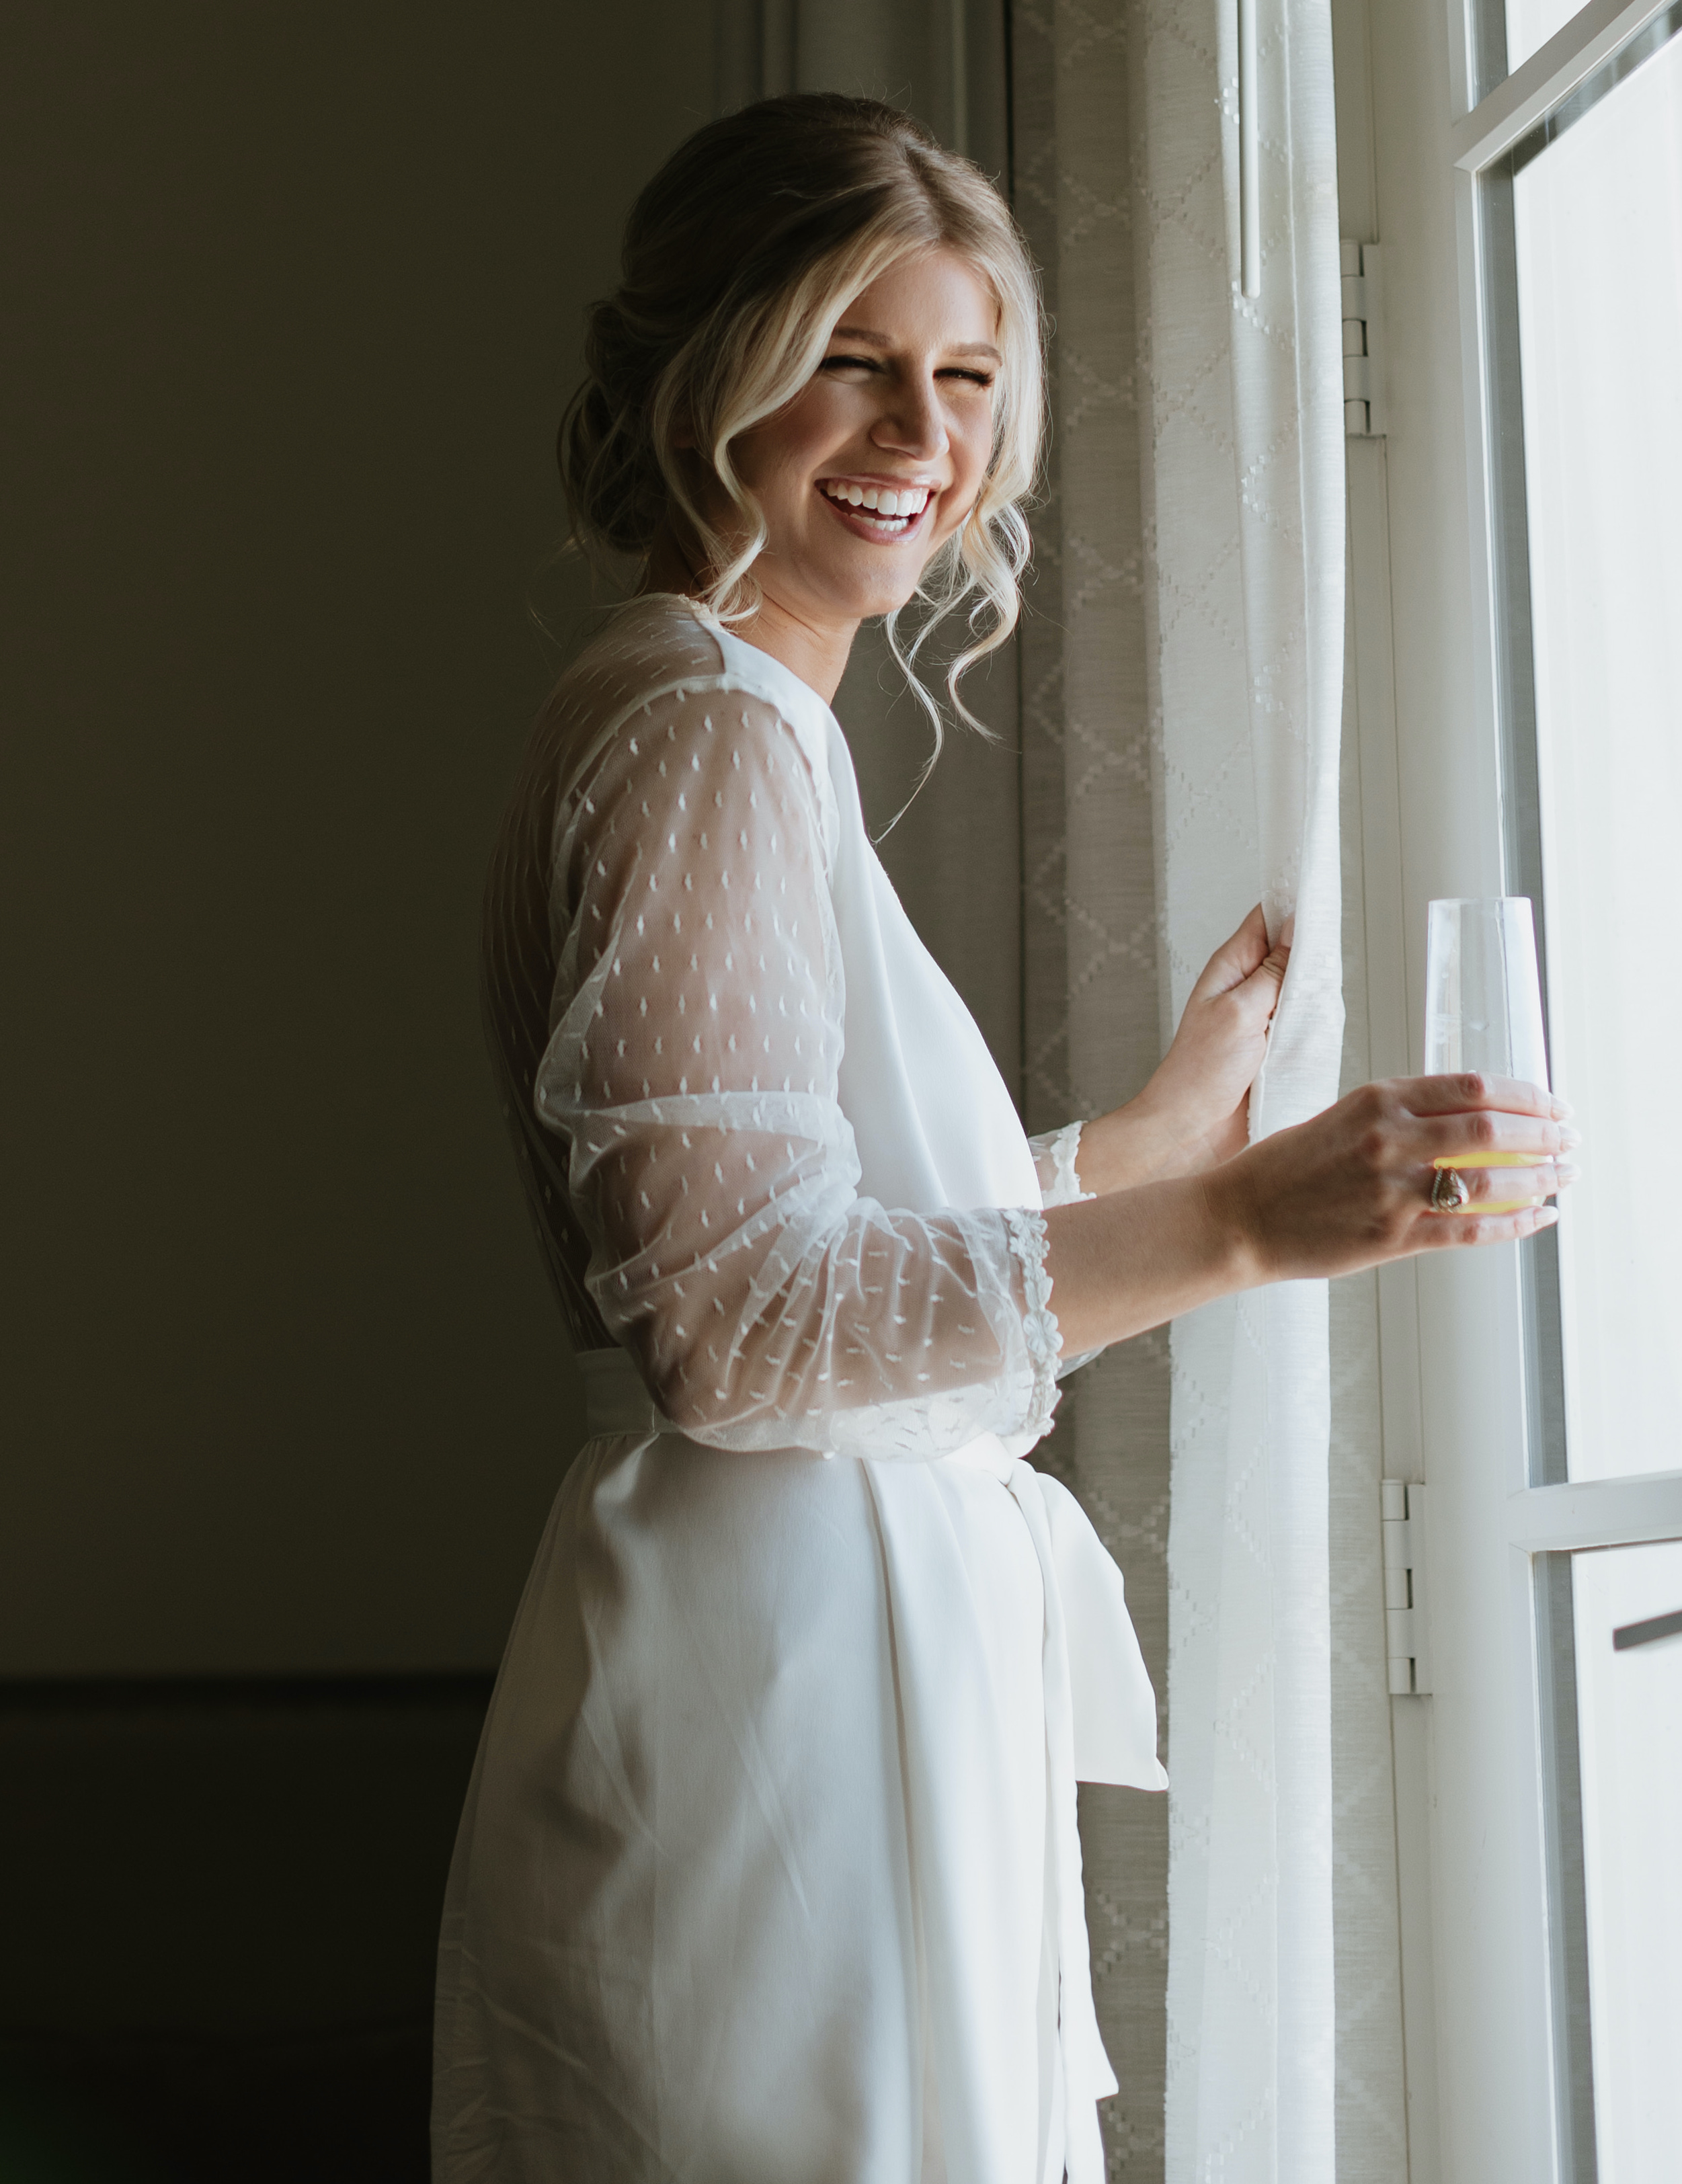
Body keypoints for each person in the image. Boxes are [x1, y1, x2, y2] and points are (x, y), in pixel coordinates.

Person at [432, 93, 1574, 2184]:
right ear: (712, 374)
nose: (920, 438)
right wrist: (1237, 1221)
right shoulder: (699, 726)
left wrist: (1135, 1143)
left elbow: (811, 1230)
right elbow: (732, 1324)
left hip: (812, 1650)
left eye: (964, 379)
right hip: (772, 1692)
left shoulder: (718, 715)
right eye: (852, 360)